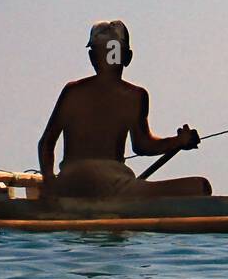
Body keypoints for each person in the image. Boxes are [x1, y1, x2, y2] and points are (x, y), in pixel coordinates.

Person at [38, 20, 210, 199]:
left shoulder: (72, 91)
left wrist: (50, 185)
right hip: (113, 187)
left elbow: (46, 143)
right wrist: (179, 141)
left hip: (69, 183)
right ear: (127, 57)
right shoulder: (135, 96)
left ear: (92, 57)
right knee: (200, 186)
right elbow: (143, 145)